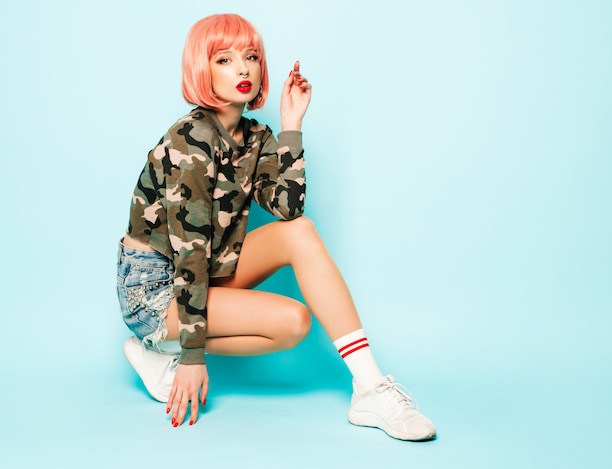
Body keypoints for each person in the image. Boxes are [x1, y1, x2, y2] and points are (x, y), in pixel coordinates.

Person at [116, 13, 436, 441]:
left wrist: (291, 125)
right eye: (224, 60)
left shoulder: (255, 137)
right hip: (155, 292)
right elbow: (190, 252)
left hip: (206, 269)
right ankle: (163, 345)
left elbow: (287, 209)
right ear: (202, 69)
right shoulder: (188, 141)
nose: (243, 69)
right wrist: (194, 359)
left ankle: (369, 388)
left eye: (250, 56)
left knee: (296, 296)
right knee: (288, 314)